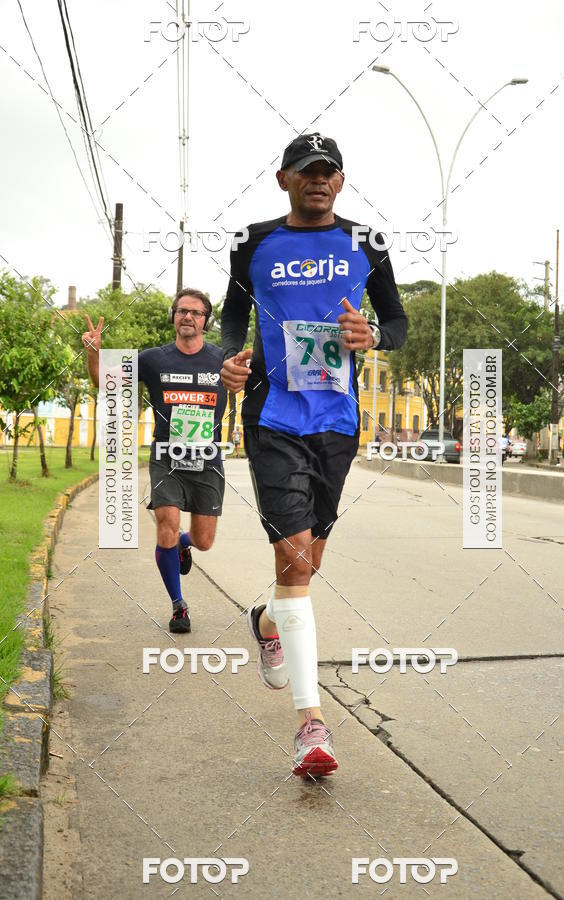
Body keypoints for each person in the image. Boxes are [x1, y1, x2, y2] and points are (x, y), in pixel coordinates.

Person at [220, 133, 408, 777]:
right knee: (295, 560)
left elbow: (398, 324)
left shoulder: (368, 244)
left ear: (342, 181)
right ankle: (311, 724)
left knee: (307, 562)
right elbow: (231, 319)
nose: (319, 181)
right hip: (272, 417)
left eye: (329, 172)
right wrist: (230, 359)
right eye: (307, 172)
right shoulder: (253, 244)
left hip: (337, 422)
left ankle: (268, 622)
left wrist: (372, 335)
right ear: (284, 180)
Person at [83, 288, 227, 633]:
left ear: (206, 321)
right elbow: (106, 383)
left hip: (206, 457)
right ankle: (178, 607)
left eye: (195, 312)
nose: (188, 316)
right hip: (166, 455)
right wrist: (94, 353)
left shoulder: (223, 358)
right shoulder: (152, 359)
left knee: (204, 541)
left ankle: (183, 543)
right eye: (182, 311)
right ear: (173, 316)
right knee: (166, 524)